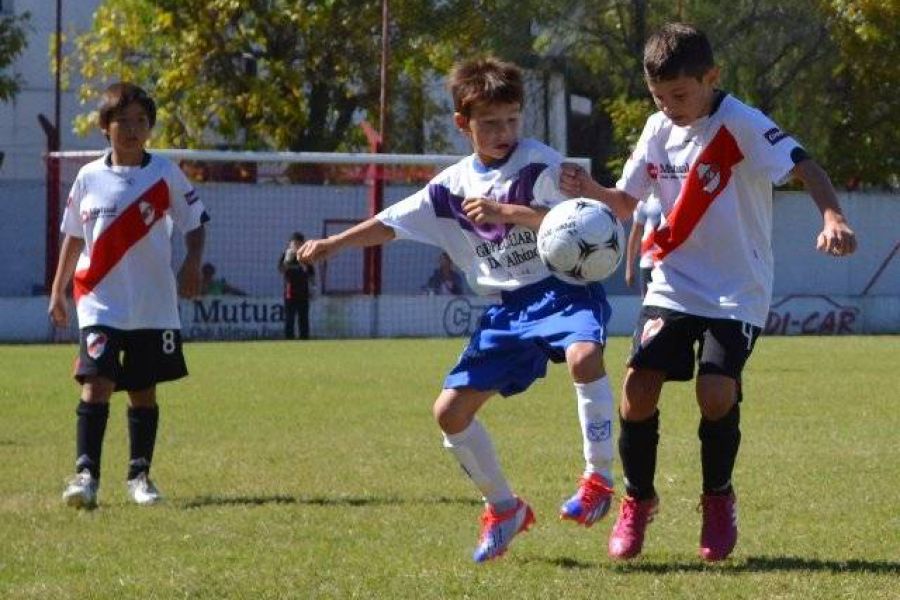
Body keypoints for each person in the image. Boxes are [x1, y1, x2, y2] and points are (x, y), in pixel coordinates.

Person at [298, 57, 618, 563]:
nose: (504, 131)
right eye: (490, 123)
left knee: (583, 356)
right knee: (450, 413)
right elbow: (388, 223)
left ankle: (599, 476)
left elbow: (579, 221)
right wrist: (332, 244)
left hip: (560, 290)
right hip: (507, 310)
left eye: (512, 119)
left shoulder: (538, 162)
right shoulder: (448, 188)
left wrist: (509, 213)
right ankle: (504, 509)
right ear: (462, 124)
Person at [560, 22, 857, 561]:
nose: (669, 106)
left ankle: (718, 499)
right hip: (674, 282)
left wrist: (832, 215)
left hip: (737, 289)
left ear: (711, 77)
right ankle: (638, 501)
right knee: (638, 390)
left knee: (715, 394)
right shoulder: (655, 129)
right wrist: (589, 192)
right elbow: (625, 202)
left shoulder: (741, 124)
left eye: (680, 94)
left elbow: (804, 164)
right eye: (659, 96)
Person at [48, 82, 208, 509]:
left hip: (152, 304)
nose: (133, 129)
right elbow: (73, 238)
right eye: (123, 121)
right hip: (100, 299)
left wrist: (192, 262)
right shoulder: (88, 177)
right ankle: (86, 476)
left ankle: (140, 476)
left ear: (150, 128)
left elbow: (195, 221)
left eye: (141, 121)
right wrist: (58, 291)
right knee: (96, 383)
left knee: (143, 389)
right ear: (105, 127)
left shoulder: (165, 174)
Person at [278, 232, 315, 340]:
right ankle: (289, 340)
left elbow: (311, 275)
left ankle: (304, 340)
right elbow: (281, 270)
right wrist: (287, 261)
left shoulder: (306, 257)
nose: (297, 246)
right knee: (289, 319)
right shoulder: (286, 255)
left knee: (303, 319)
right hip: (290, 293)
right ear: (290, 244)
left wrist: (313, 288)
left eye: (299, 244)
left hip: (304, 293)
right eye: (294, 244)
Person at [624, 195, 662, 298]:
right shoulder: (645, 200)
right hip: (649, 262)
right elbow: (636, 233)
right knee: (649, 305)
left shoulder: (681, 195)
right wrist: (629, 268)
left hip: (672, 261)